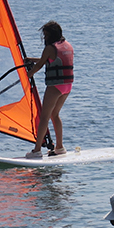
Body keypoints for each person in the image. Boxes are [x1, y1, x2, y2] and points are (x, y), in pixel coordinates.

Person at [25, 20, 73, 158]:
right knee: (55, 115)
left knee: (44, 116)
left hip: (55, 86)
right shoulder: (67, 45)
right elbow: (49, 60)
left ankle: (37, 150)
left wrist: (27, 75)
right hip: (67, 86)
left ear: (52, 35)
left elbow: (40, 65)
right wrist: (31, 59)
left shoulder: (49, 48)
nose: (45, 38)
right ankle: (59, 147)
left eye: (46, 36)